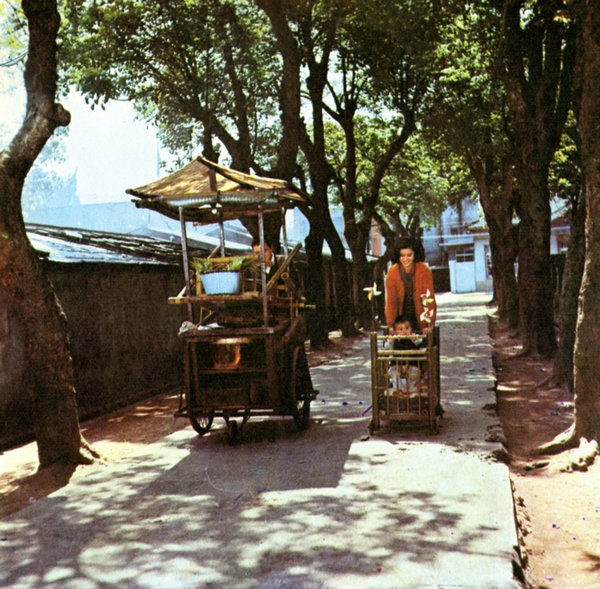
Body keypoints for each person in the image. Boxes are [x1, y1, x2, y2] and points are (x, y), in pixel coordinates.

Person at [385, 237, 436, 335]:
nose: (405, 259)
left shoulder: (424, 270)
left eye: (409, 255)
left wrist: (429, 323)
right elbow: (391, 302)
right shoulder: (392, 272)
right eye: (402, 255)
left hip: (420, 318)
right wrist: (391, 325)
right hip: (401, 320)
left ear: (415, 255)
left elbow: (429, 298)